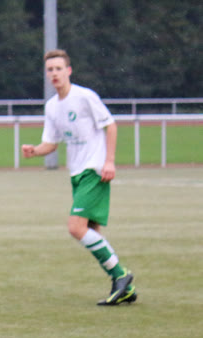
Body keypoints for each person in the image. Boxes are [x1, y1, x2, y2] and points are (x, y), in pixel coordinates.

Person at [22, 49, 137, 306]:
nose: (54, 73)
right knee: (91, 231)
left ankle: (121, 276)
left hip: (93, 170)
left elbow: (111, 125)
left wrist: (109, 161)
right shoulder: (52, 107)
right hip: (76, 174)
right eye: (50, 70)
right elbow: (51, 143)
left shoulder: (84, 96)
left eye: (58, 68)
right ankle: (125, 288)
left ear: (68, 71)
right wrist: (34, 151)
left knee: (75, 227)